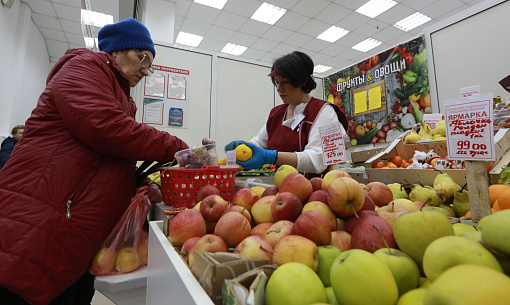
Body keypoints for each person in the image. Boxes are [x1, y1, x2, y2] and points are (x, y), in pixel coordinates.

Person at [0, 18, 188, 305]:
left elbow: (102, 159)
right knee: (21, 287)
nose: (146, 71)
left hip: (75, 231)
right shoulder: (84, 67)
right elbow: (104, 127)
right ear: (116, 50)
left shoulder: (120, 96)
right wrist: (176, 147)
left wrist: (138, 183)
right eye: (143, 58)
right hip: (40, 220)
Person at [226, 51, 349, 178]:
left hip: (315, 191)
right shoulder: (276, 113)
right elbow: (259, 143)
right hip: (283, 189)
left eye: (285, 81)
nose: (279, 88)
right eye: (277, 82)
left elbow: (316, 160)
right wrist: (245, 147)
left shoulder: (325, 111)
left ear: (303, 81)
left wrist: (272, 156)